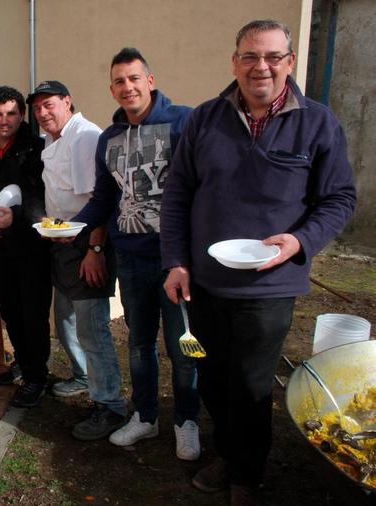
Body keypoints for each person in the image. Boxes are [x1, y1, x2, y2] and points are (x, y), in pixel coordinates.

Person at [160, 20, 357, 504]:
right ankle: (228, 452)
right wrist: (176, 262)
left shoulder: (317, 122)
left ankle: (247, 471)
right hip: (204, 281)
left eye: (272, 57)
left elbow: (338, 198)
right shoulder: (206, 119)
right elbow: (178, 195)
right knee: (211, 374)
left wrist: (299, 240)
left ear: (289, 63)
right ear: (234, 62)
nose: (260, 67)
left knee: (250, 383)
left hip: (270, 286)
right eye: (249, 56)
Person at [73, 48, 201, 460]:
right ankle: (146, 416)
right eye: (119, 81)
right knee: (140, 343)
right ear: (112, 89)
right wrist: (72, 228)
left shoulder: (183, 122)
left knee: (182, 343)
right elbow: (105, 198)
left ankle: (187, 420)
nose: (127, 87)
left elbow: (204, 185)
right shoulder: (109, 139)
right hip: (129, 257)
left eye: (134, 78)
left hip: (175, 260)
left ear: (150, 80)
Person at [26, 80, 125, 440]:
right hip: (61, 242)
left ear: (68, 101)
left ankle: (111, 405)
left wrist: (94, 250)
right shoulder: (56, 140)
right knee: (64, 319)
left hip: (86, 244)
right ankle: (84, 377)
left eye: (49, 104)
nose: (42, 113)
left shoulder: (85, 137)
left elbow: (101, 200)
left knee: (92, 328)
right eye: (37, 108)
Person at [0, 85, 51, 408]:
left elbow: (38, 195)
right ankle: (24, 363)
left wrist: (14, 219)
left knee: (33, 313)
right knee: (12, 313)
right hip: (0, 246)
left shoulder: (37, 148)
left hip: (33, 245)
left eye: (12, 113)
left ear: (22, 115)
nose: (5, 120)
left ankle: (36, 376)